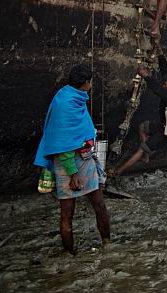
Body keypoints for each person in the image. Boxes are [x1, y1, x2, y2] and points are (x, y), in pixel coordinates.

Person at [33, 64, 111, 254]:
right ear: (85, 83)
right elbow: (64, 141)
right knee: (87, 208)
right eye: (91, 82)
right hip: (69, 165)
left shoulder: (68, 96)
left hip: (83, 158)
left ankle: (103, 244)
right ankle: (75, 251)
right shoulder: (67, 104)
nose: (91, 85)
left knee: (79, 211)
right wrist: (73, 173)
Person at [109, 55, 167, 179]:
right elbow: (165, 71)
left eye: (165, 84)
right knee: (143, 127)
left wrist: (146, 76)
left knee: (141, 148)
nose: (164, 86)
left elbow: (158, 90)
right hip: (165, 124)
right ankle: (147, 154)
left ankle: (118, 171)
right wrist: (160, 54)